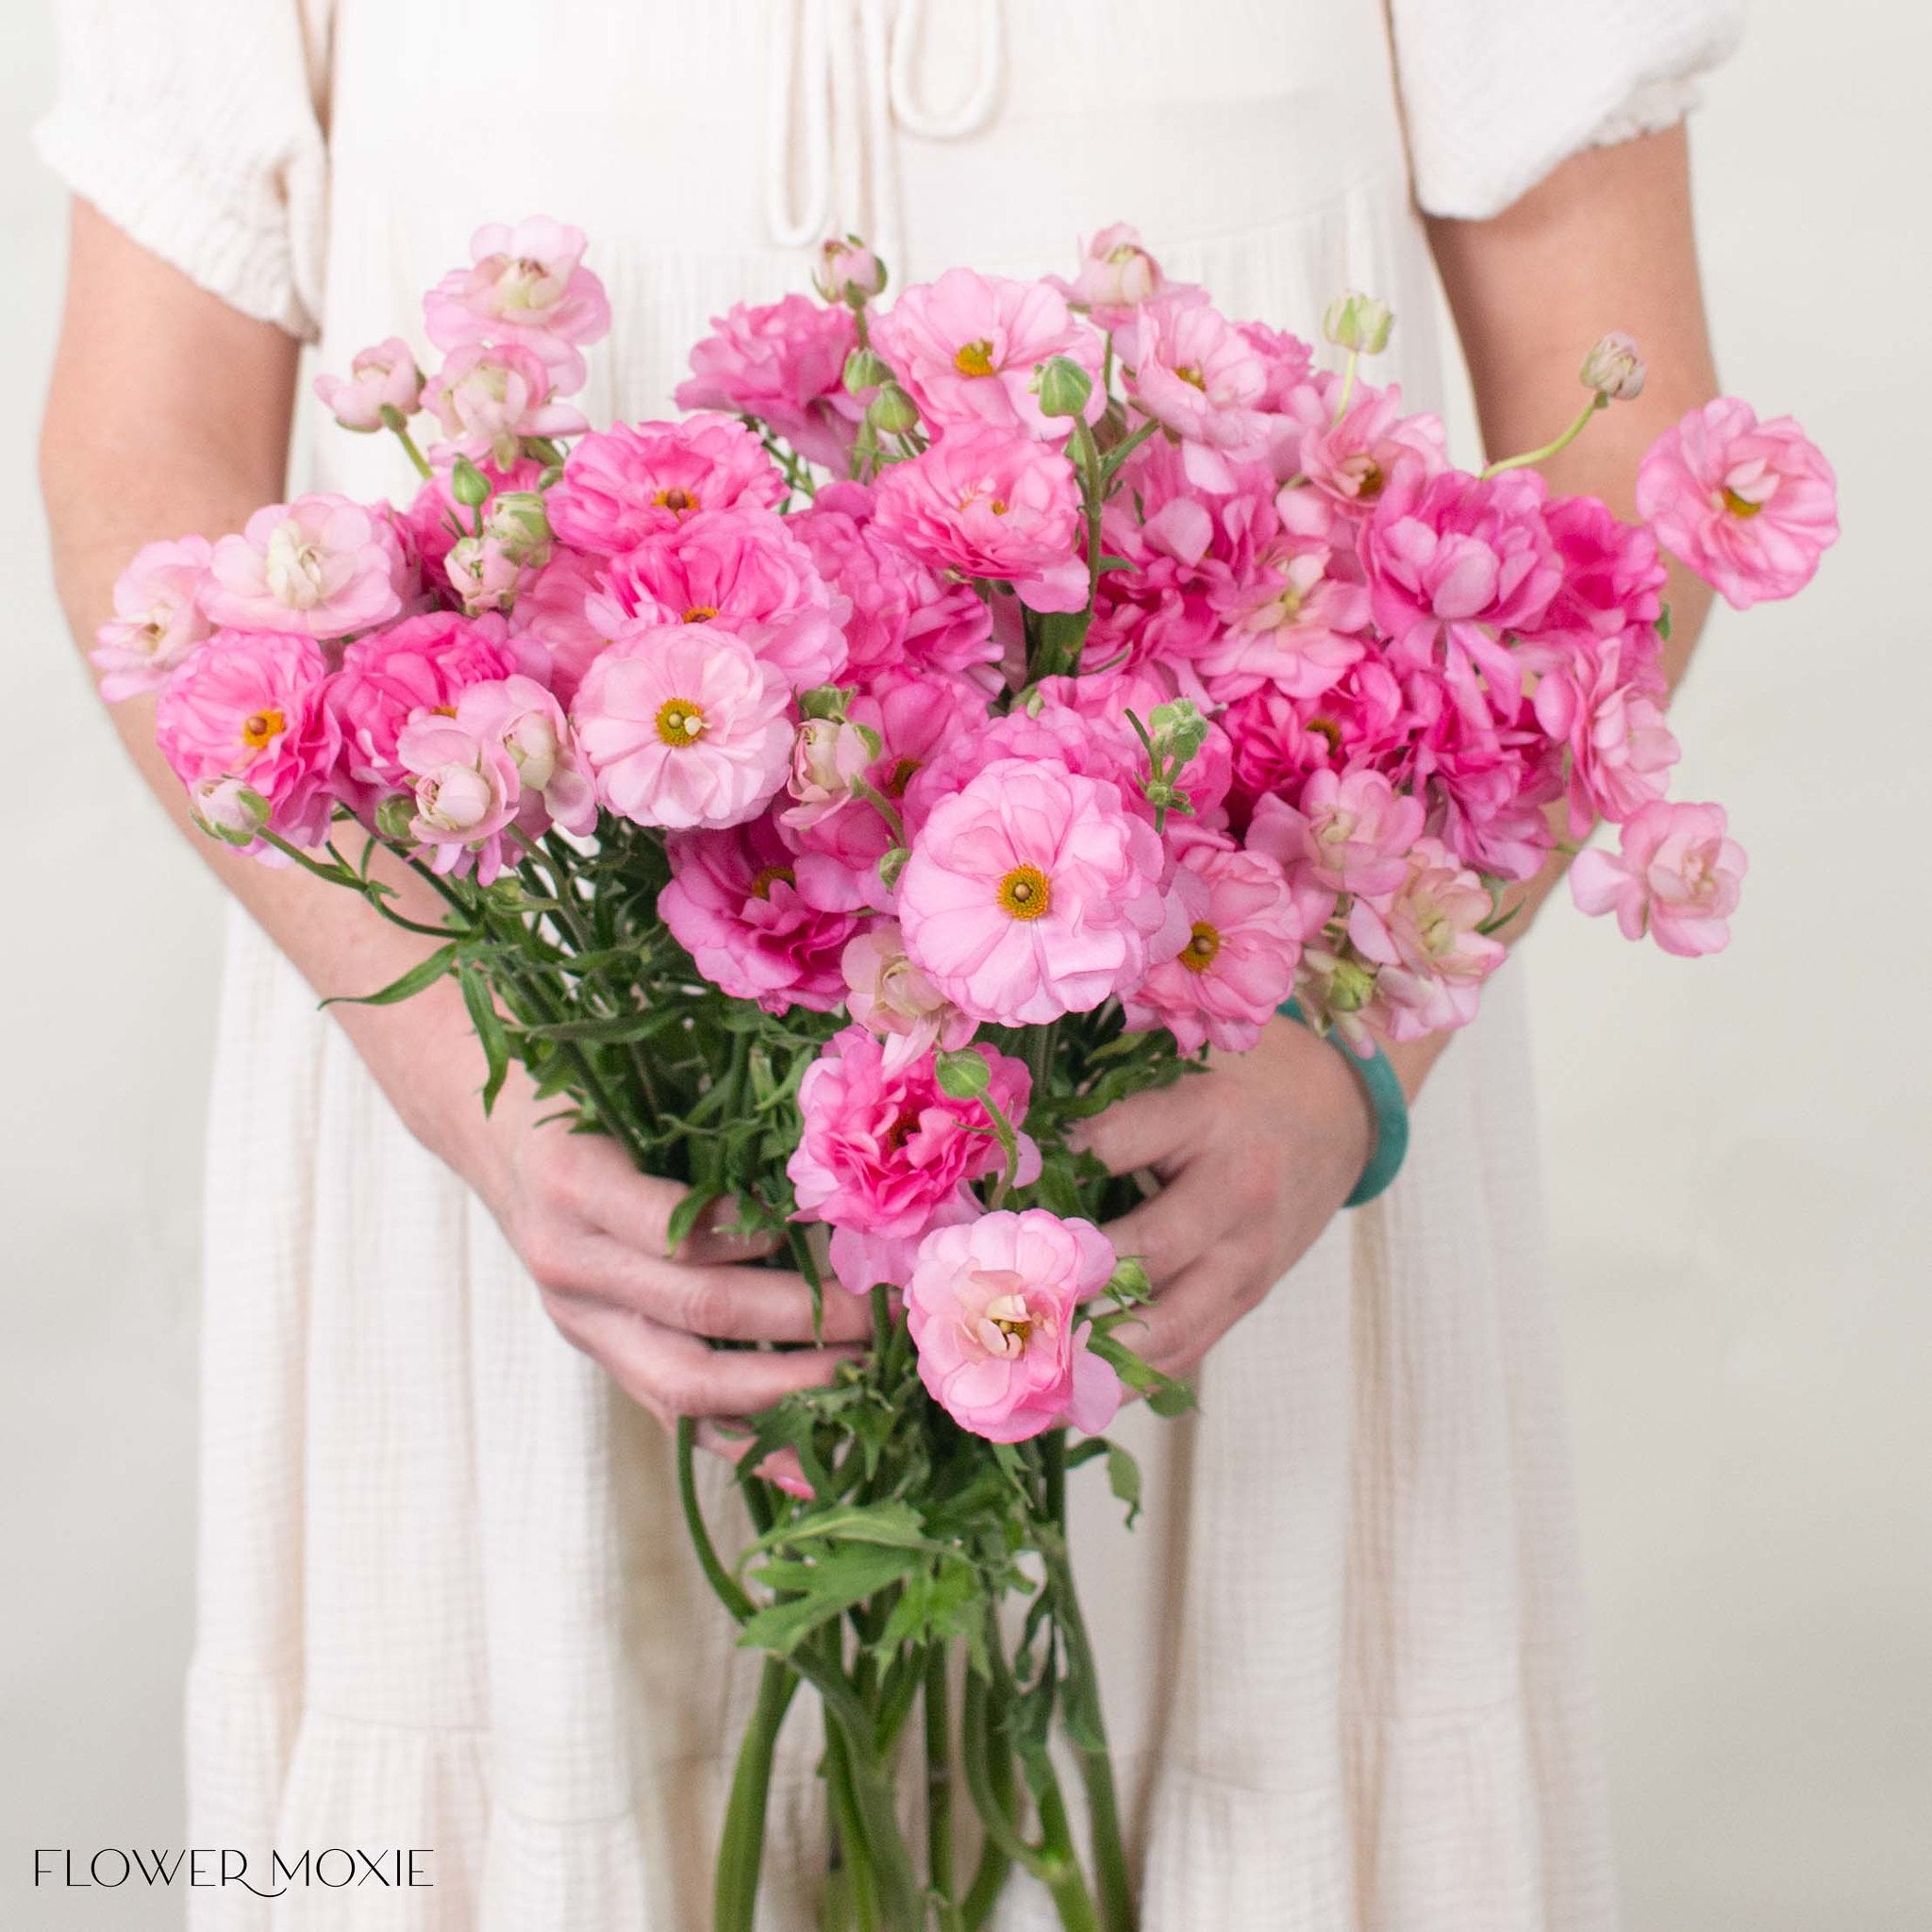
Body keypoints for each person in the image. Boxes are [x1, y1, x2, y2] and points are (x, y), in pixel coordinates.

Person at [37, 2, 1737, 1924]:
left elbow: (1626, 440)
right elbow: (143, 454)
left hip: (1229, 1114)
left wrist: (1345, 1065)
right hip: (530, 1108)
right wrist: (468, 1072)